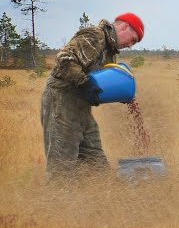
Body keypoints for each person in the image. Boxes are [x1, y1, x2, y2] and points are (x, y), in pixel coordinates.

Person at [40, 13, 145, 179]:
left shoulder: (109, 51)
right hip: (62, 102)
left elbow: (98, 83)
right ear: (124, 27)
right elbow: (64, 59)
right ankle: (57, 202)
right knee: (61, 169)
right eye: (132, 39)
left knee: (97, 164)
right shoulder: (95, 36)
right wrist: (83, 83)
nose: (130, 46)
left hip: (81, 108)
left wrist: (121, 94)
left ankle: (96, 200)